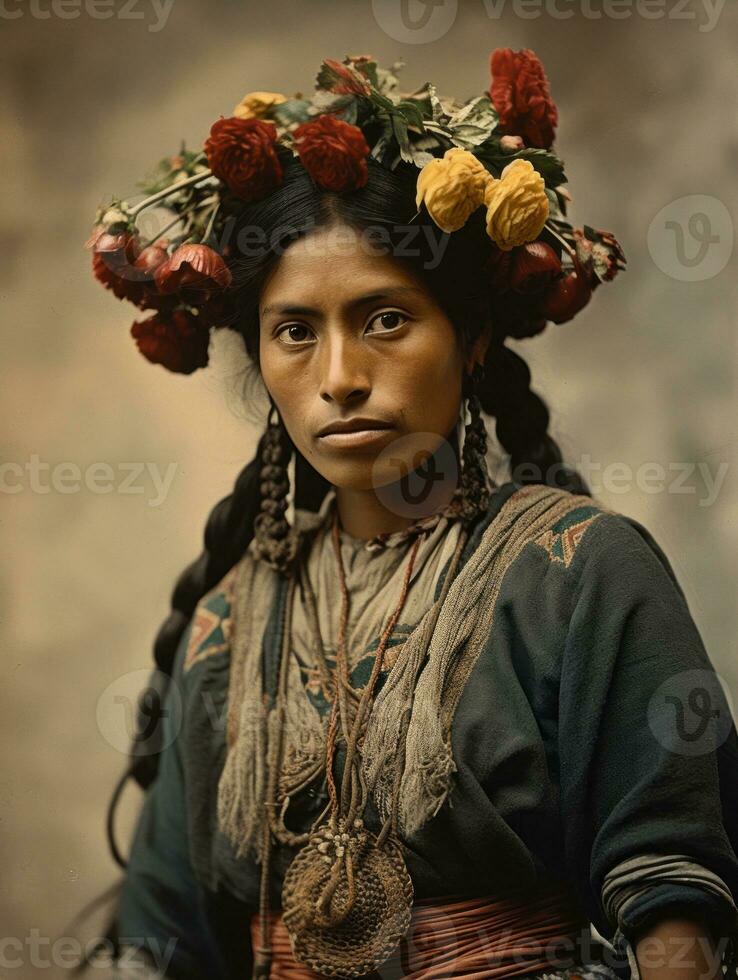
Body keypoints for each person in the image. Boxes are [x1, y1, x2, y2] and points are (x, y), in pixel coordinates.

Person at [85, 50, 738, 980]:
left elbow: (678, 903)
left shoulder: (580, 571)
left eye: (386, 318)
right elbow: (159, 947)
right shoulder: (227, 625)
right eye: (296, 331)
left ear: (471, 341)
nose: (342, 377)